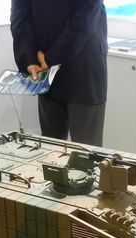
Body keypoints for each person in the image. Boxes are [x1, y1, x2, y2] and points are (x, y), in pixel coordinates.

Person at [10, 0, 108, 146]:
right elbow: (20, 15)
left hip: (83, 65)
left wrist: (49, 59)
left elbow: (85, 17)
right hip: (45, 67)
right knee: (50, 146)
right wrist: (29, 60)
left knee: (86, 150)